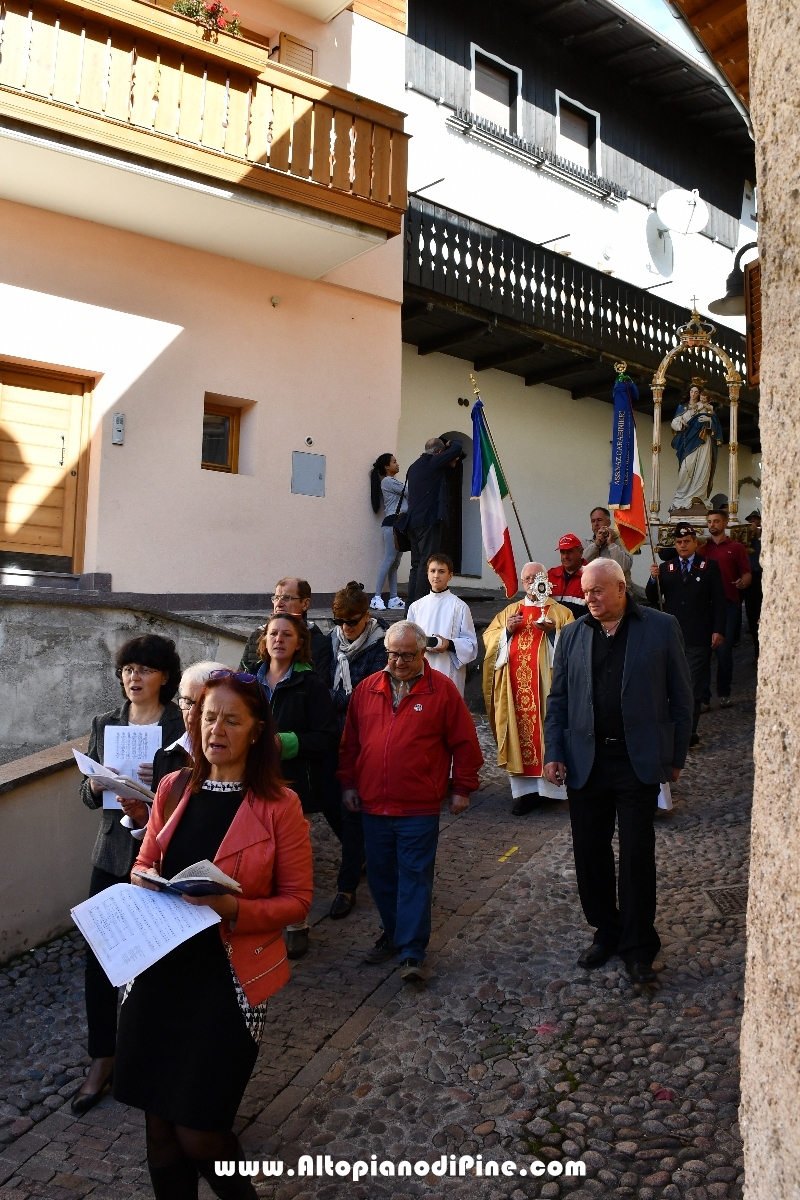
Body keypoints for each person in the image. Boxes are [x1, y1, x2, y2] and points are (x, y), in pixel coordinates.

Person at [116, 671, 313, 1200]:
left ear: (256, 731)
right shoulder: (173, 786)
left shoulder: (280, 806)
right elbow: (147, 857)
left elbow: (298, 901)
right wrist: (141, 876)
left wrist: (232, 907)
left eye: (231, 719)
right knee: (158, 1130)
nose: (216, 729)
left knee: (200, 1134)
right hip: (156, 974)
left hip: (226, 986)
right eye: (207, 717)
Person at [544, 560, 693, 987]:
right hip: (586, 761)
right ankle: (605, 931)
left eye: (597, 591)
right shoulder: (572, 633)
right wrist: (555, 751)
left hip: (637, 760)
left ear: (622, 588)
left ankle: (638, 946)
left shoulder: (661, 628)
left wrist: (676, 757)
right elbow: (558, 700)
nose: (588, 598)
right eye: (586, 592)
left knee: (636, 856)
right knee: (590, 855)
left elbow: (681, 698)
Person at [74, 635, 184, 1115]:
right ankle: (103, 1058)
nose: (133, 678)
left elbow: (193, 792)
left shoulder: (180, 724)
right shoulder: (105, 723)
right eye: (127, 670)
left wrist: (159, 784)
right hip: (110, 854)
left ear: (164, 676)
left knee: (153, 962)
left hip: (158, 858)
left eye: (144, 669)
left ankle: (150, 1057)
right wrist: (95, 784)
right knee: (99, 959)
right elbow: (85, 796)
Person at [338, 621, 483, 982]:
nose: (398, 661)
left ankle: (411, 952)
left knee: (415, 876)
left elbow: (465, 743)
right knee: (382, 878)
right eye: (392, 654)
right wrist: (349, 784)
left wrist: (462, 786)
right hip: (373, 803)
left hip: (418, 806)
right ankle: (393, 932)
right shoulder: (367, 689)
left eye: (406, 655)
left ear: (422, 653)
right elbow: (350, 744)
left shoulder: (443, 691)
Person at [255, 613, 339, 959]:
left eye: (286, 635)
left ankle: (296, 923)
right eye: (273, 633)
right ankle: (262, 920)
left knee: (291, 857)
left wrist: (286, 742)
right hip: (256, 780)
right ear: (264, 641)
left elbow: (327, 736)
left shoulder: (311, 685)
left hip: (293, 785)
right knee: (260, 854)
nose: (278, 640)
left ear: (298, 643)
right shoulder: (249, 682)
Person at [482, 561, 573, 815]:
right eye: (527, 578)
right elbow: (490, 641)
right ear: (522, 583)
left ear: (545, 578)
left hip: (548, 690)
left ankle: (553, 790)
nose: (532, 582)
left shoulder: (561, 612)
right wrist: (507, 634)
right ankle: (526, 793)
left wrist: (554, 634)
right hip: (515, 690)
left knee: (548, 731)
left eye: (536, 576)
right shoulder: (510, 611)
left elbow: (574, 647)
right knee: (520, 733)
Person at [324, 582, 389, 920]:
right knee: (330, 801)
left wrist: (331, 700)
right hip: (331, 736)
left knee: (352, 811)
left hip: (364, 738)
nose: (345, 629)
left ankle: (346, 886)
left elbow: (367, 695)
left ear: (367, 616)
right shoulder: (331, 640)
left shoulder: (381, 645)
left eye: (351, 622)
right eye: (340, 622)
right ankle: (360, 854)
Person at [646, 523, 726, 747]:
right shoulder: (666, 568)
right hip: (671, 637)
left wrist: (719, 629)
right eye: (679, 542)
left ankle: (687, 732)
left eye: (687, 541)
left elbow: (719, 601)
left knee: (692, 685)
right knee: (670, 684)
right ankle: (671, 727)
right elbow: (653, 598)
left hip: (699, 635)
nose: (683, 545)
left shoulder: (708, 567)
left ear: (695, 543)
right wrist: (653, 579)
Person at [146, 661, 230, 794]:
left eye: (203, 705)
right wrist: (141, 813)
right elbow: (158, 812)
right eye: (187, 701)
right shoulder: (165, 757)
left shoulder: (234, 759)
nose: (192, 713)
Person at [400, 436, 464, 605]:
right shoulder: (432, 462)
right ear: (440, 452)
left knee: (416, 565)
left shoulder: (415, 466)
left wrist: (450, 463)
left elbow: (437, 481)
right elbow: (457, 446)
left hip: (413, 522)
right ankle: (421, 604)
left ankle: (411, 606)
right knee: (426, 563)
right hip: (428, 520)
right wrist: (452, 444)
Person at [699, 510, 752, 707]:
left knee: (723, 650)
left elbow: (747, 573)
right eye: (709, 522)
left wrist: (743, 582)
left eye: (716, 521)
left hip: (729, 604)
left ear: (725, 522)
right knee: (703, 651)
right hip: (706, 606)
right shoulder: (702, 549)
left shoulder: (737, 548)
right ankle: (704, 697)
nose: (712, 525)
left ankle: (724, 692)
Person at [407, 552, 478, 697]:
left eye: (441, 571)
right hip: (421, 668)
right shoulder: (416, 607)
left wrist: (449, 644)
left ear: (450, 575)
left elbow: (471, 645)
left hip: (448, 668)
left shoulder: (460, 607)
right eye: (432, 571)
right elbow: (408, 639)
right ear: (427, 573)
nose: (436, 576)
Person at [240, 578, 328, 675]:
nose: (278, 604)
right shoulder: (257, 636)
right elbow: (241, 677)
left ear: (305, 604)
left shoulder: (320, 642)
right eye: (276, 598)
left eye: (286, 598)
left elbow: (320, 685)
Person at [669, 383, 724, 512]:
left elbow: (715, 421)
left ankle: (698, 496)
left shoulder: (706, 407)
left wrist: (709, 420)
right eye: (692, 392)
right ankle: (681, 497)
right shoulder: (683, 407)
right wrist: (680, 423)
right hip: (688, 440)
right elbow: (674, 423)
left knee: (702, 467)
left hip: (704, 441)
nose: (694, 394)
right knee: (685, 468)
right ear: (688, 393)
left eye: (696, 392)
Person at [370, 453, 407, 611]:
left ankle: (393, 597)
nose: (397, 464)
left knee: (395, 563)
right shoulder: (388, 481)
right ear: (386, 467)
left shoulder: (392, 481)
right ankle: (376, 596)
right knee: (389, 558)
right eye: (394, 462)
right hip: (392, 523)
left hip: (399, 523)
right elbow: (410, 492)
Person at [582, 507, 633, 588]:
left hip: (617, 590)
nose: (596, 524)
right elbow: (580, 565)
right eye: (593, 521)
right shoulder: (586, 542)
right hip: (592, 589)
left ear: (608, 522)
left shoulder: (622, 540)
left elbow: (623, 567)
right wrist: (596, 545)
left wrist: (611, 544)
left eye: (599, 520)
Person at [548, 533, 587, 620]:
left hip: (580, 630)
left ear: (580, 552)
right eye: (562, 552)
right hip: (553, 630)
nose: (565, 556)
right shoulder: (551, 575)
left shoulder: (591, 575)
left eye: (569, 552)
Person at [744, 510, 762, 659]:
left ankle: (759, 651)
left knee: (757, 615)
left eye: (755, 521)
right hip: (746, 578)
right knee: (751, 615)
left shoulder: (762, 539)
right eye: (751, 521)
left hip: (759, 577)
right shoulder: (744, 540)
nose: (753, 524)